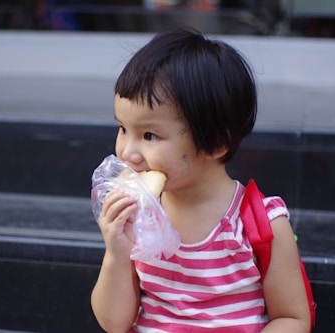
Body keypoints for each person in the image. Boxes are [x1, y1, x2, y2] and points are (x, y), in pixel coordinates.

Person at [91, 27, 311, 333]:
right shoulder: (140, 220)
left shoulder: (261, 225)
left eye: (149, 135)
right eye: (123, 128)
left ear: (215, 142)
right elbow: (114, 323)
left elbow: (292, 319)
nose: (128, 152)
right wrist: (116, 252)